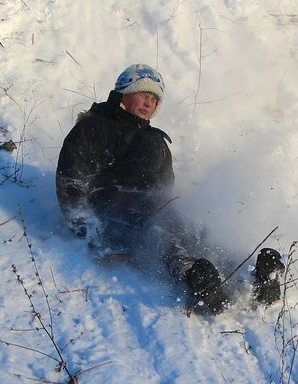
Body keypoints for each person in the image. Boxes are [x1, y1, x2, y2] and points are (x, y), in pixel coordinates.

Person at [56, 64, 281, 314]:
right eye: (143, 93)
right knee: (159, 235)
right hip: (113, 212)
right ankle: (196, 279)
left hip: (154, 207)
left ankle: (251, 274)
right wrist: (86, 228)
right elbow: (71, 179)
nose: (148, 102)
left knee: (196, 231)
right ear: (124, 92)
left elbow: (166, 186)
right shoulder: (96, 126)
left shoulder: (157, 141)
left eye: (154, 99)